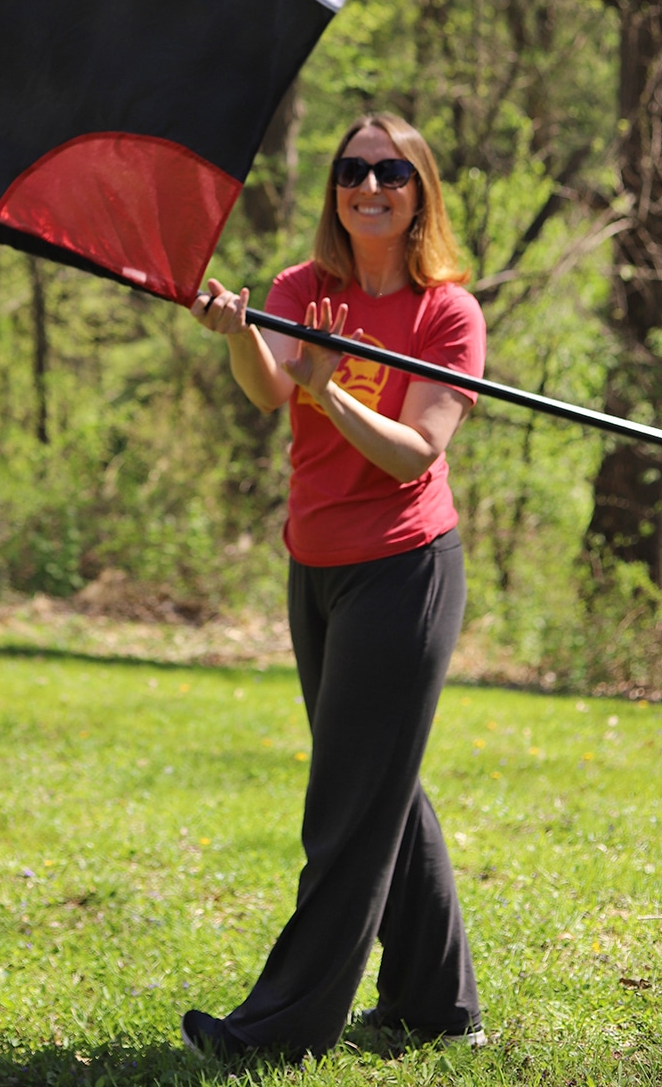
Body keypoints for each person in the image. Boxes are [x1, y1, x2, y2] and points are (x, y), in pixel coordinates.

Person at [182, 111, 487, 1062]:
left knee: (346, 807)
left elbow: (412, 455)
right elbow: (269, 390)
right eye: (353, 171)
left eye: (391, 172)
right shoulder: (300, 289)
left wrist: (331, 385)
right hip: (313, 566)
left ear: (419, 190)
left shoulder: (446, 314)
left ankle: (275, 1032)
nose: (369, 186)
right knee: (379, 785)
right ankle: (436, 1007)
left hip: (404, 572)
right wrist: (241, 335)